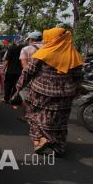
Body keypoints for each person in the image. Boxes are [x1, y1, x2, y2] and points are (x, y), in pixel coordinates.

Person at [13, 28, 83, 156]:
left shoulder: (43, 54)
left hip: (41, 93)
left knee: (34, 116)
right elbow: (78, 77)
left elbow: (28, 72)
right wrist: (77, 91)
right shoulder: (74, 55)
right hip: (65, 95)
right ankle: (59, 147)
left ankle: (42, 139)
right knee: (60, 120)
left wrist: (18, 88)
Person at [17, 31, 44, 121]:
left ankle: (25, 116)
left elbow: (25, 67)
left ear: (31, 39)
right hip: (46, 79)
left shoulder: (26, 49)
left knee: (26, 97)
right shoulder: (49, 48)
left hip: (30, 78)